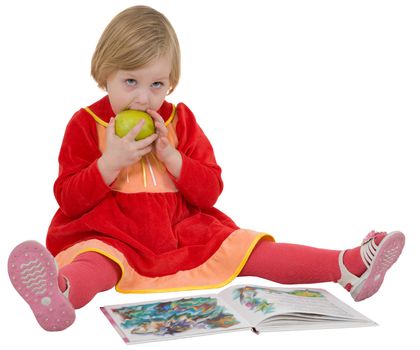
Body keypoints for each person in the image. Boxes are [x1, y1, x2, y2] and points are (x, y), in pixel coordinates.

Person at [8, 5, 405, 332]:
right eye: (130, 81)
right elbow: (69, 200)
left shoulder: (180, 120)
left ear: (171, 83)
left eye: (157, 85)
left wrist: (173, 159)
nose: (144, 99)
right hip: (114, 234)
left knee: (250, 248)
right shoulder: (85, 123)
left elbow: (210, 191)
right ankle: (60, 291)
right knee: (96, 263)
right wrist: (109, 163)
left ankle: (348, 264)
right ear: (104, 75)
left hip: (181, 232)